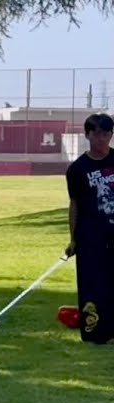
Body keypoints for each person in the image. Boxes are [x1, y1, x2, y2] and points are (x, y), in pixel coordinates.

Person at [64, 112, 114, 344]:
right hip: (91, 236)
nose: (102, 139)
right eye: (97, 133)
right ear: (87, 135)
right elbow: (74, 205)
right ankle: (95, 331)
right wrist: (73, 239)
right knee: (93, 285)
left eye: (106, 133)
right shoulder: (78, 169)